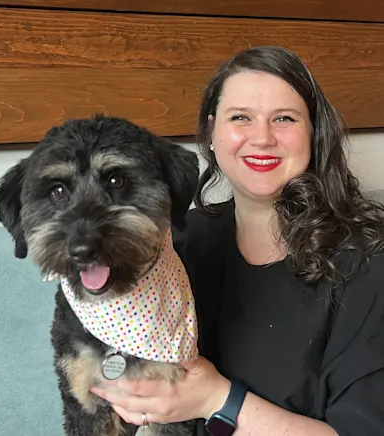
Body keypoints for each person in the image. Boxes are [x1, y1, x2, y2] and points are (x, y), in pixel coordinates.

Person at [91, 46, 384, 435]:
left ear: (313, 133)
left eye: (284, 118)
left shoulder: (367, 263)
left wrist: (218, 400)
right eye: (240, 117)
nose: (261, 138)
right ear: (212, 132)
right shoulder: (175, 240)